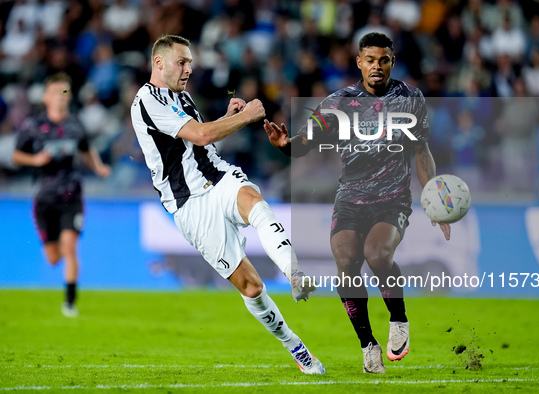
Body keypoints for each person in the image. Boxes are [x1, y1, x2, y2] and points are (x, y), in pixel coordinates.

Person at [130, 35, 324, 374]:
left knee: (256, 204)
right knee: (252, 287)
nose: (189, 68)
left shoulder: (183, 97)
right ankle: (295, 346)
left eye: (190, 62)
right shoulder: (146, 100)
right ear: (158, 63)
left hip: (218, 177)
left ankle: (295, 275)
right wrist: (246, 115)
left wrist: (226, 115)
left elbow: (199, 140)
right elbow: (202, 135)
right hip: (189, 205)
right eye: (182, 62)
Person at [264, 32, 451, 373]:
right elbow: (305, 142)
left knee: (377, 255)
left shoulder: (411, 98)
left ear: (392, 61)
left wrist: (433, 198)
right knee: (347, 264)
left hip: (392, 198)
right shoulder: (338, 102)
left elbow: (421, 152)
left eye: (383, 60)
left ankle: (399, 319)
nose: (376, 66)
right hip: (350, 198)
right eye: (370, 60)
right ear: (359, 63)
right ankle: (368, 345)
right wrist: (284, 144)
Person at [12, 73, 111, 318]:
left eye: (65, 92)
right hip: (44, 199)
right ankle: (62, 278)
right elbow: (16, 155)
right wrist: (35, 159)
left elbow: (86, 150)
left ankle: (69, 303)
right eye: (56, 92)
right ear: (46, 97)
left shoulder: (75, 125)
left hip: (71, 196)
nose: (61, 97)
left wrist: (97, 167)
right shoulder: (33, 127)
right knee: (54, 258)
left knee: (70, 247)